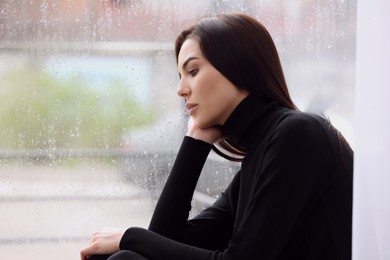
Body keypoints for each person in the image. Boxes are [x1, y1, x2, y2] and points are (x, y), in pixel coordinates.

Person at [80, 13, 353, 260]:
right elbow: (163, 243)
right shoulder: (261, 151)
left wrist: (130, 236)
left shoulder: (298, 134)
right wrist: (195, 143)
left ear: (238, 66)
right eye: (180, 76)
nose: (181, 90)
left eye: (193, 71)